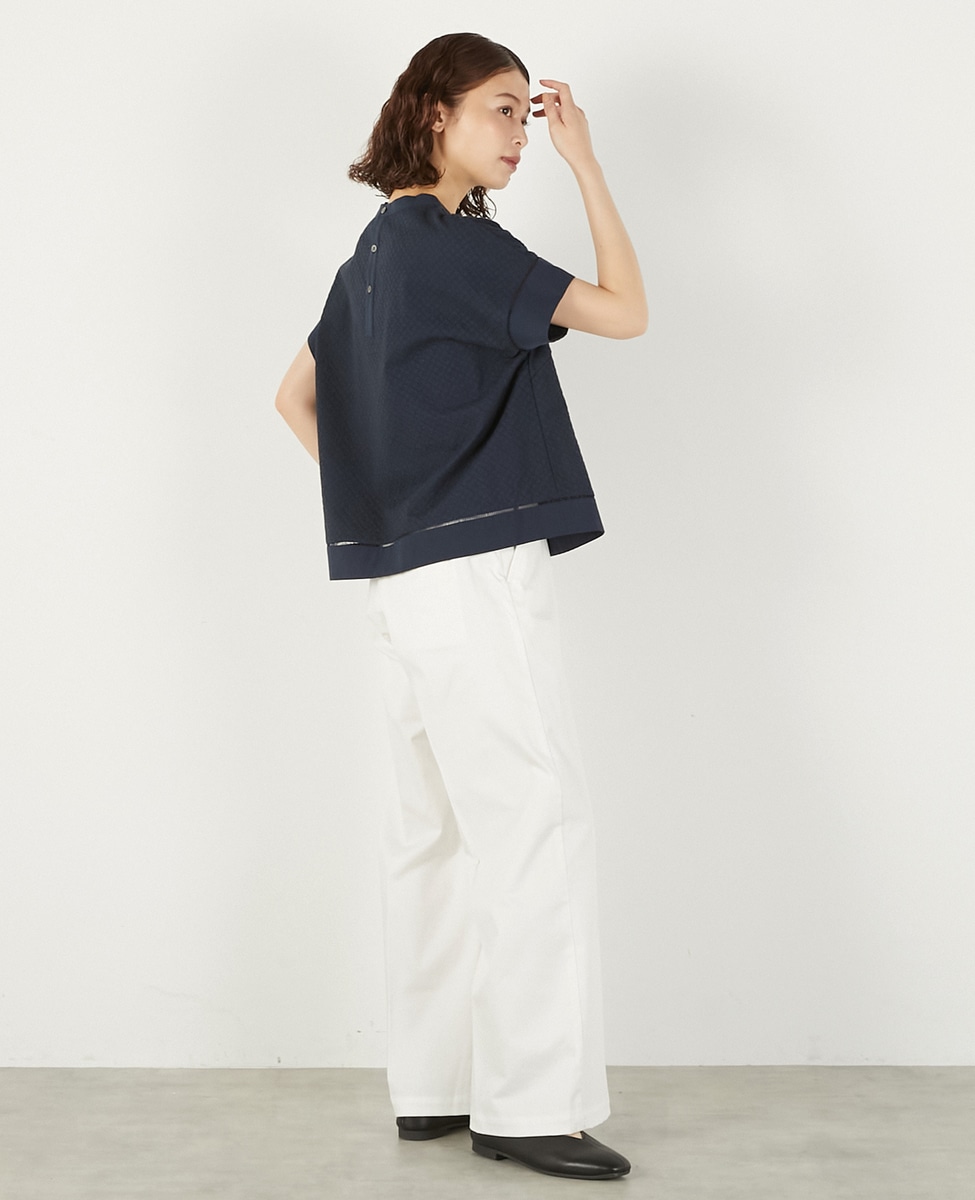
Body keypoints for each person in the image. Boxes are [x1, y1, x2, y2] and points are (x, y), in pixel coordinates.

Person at [275, 32, 646, 1182]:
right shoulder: (460, 247)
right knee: (534, 824)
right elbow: (625, 310)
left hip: (403, 584)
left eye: (531, 116)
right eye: (502, 108)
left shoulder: (370, 257)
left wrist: (393, 499)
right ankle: (530, 1106)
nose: (521, 133)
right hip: (477, 578)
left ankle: (432, 1086)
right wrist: (589, 164)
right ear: (434, 113)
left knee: (429, 834)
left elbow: (294, 398)